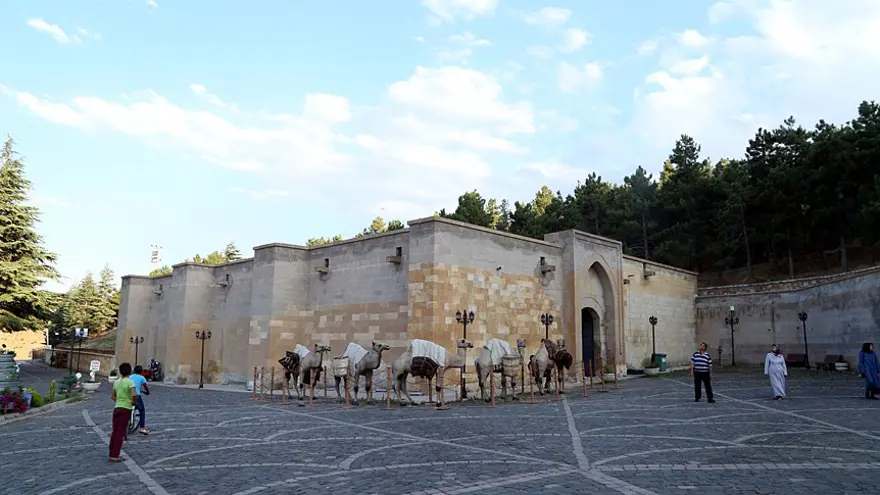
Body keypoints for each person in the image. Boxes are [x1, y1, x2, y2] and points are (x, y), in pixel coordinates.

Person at [108, 362, 136, 462]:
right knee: (120, 433)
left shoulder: (116, 382)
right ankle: (115, 455)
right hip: (126, 408)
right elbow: (134, 395)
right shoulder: (130, 382)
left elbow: (112, 396)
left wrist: (119, 401)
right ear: (130, 371)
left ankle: (111, 453)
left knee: (115, 431)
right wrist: (133, 402)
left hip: (117, 408)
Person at [130, 365, 151, 435]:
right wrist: (147, 392)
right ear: (141, 372)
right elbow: (145, 387)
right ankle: (142, 428)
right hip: (136, 396)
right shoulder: (142, 378)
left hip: (128, 395)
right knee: (142, 410)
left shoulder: (130, 377)